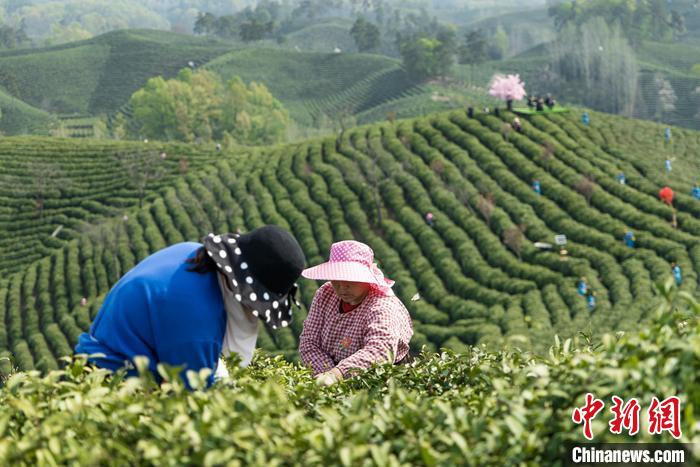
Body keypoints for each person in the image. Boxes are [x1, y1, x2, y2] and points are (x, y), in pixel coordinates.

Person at [75, 225, 306, 389]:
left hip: (95, 361)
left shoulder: (192, 252)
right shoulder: (198, 322)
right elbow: (194, 399)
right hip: (113, 381)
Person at [299, 240, 413, 386]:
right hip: (328, 373)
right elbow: (309, 342)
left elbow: (380, 350)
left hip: (378, 380)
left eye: (350, 279)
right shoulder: (326, 294)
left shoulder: (382, 306)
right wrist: (327, 373)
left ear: (365, 278)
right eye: (337, 278)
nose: (342, 286)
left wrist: (338, 374)